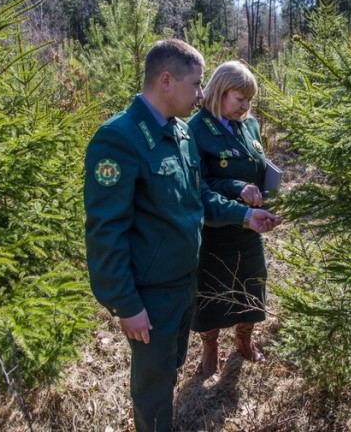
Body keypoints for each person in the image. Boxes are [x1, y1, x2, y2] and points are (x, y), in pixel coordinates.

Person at [83, 39, 280, 432]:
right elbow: (106, 231)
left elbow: (199, 199)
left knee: (169, 368)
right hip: (150, 295)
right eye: (196, 84)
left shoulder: (181, 134)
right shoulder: (119, 138)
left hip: (185, 281)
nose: (202, 93)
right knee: (153, 390)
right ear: (166, 80)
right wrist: (126, 304)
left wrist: (243, 215)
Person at [188, 60, 271, 378]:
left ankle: (244, 341)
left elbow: (257, 164)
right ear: (220, 93)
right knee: (210, 292)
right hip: (216, 231)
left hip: (250, 229)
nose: (246, 106)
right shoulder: (196, 129)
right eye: (240, 99)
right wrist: (239, 190)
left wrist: (268, 186)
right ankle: (210, 349)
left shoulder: (248, 124)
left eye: (250, 100)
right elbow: (201, 186)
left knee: (252, 284)